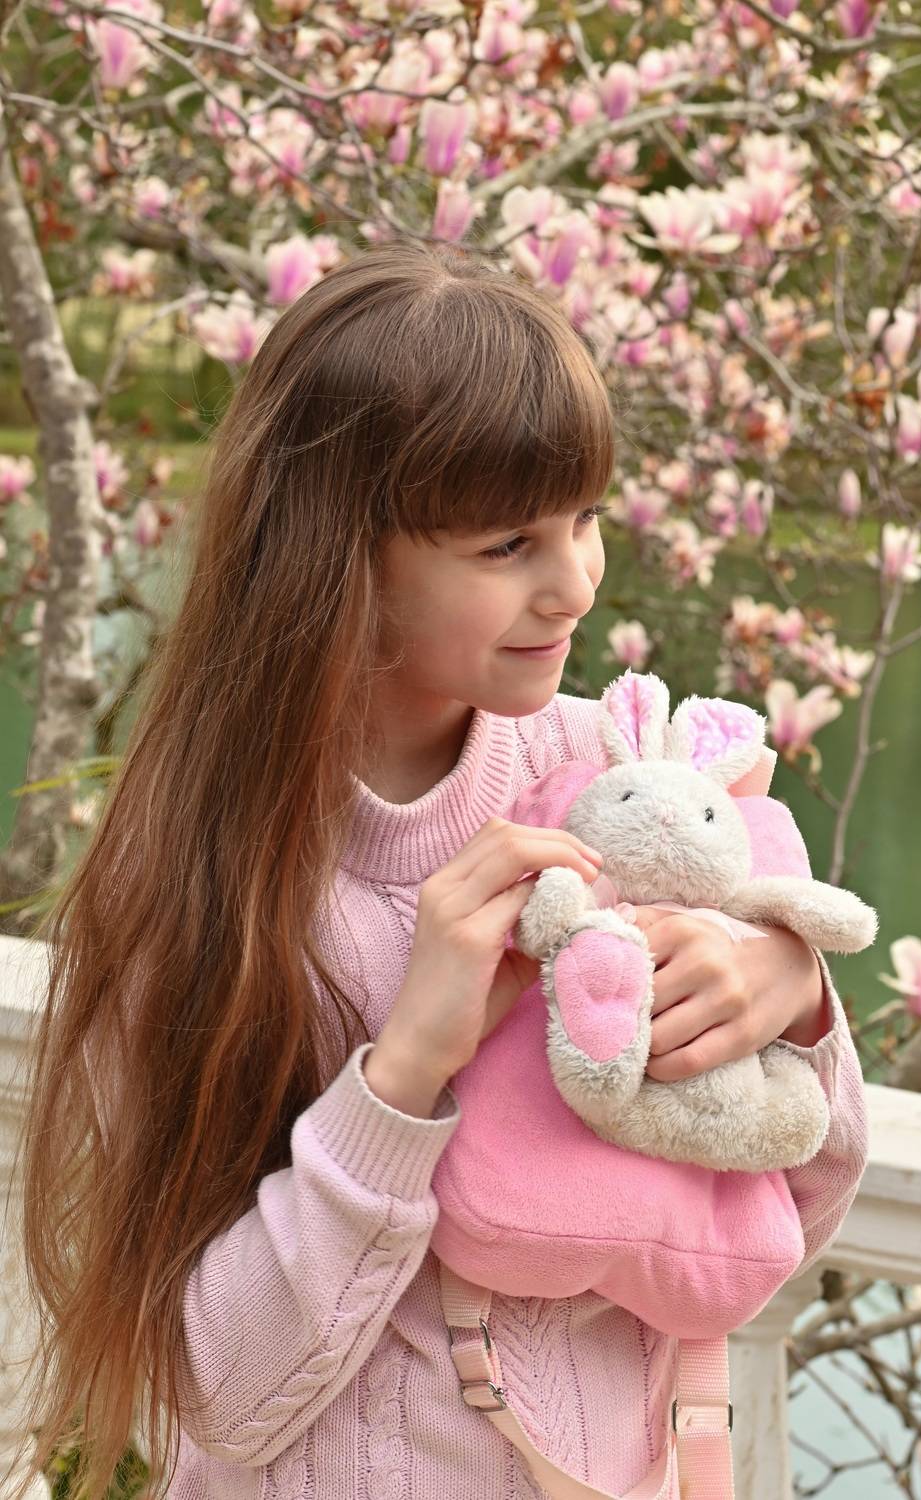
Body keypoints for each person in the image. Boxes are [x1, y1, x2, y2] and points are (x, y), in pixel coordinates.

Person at [11, 238, 867, 1500]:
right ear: (336, 553)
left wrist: (786, 1009)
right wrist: (402, 1072)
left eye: (583, 520)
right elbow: (210, 1393)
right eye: (507, 543)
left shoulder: (623, 780)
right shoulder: (202, 872)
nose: (575, 585)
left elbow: (783, 1226)